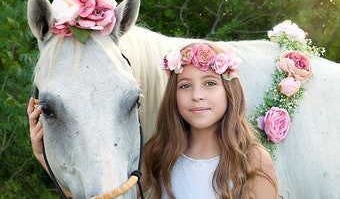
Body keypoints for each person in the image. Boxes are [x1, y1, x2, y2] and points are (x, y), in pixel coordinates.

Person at [27, 42, 279, 199]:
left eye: (210, 84)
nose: (197, 96)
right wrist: (43, 157)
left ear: (230, 92)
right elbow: (109, 197)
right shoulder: (159, 151)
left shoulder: (252, 159)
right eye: (185, 85)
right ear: (173, 94)